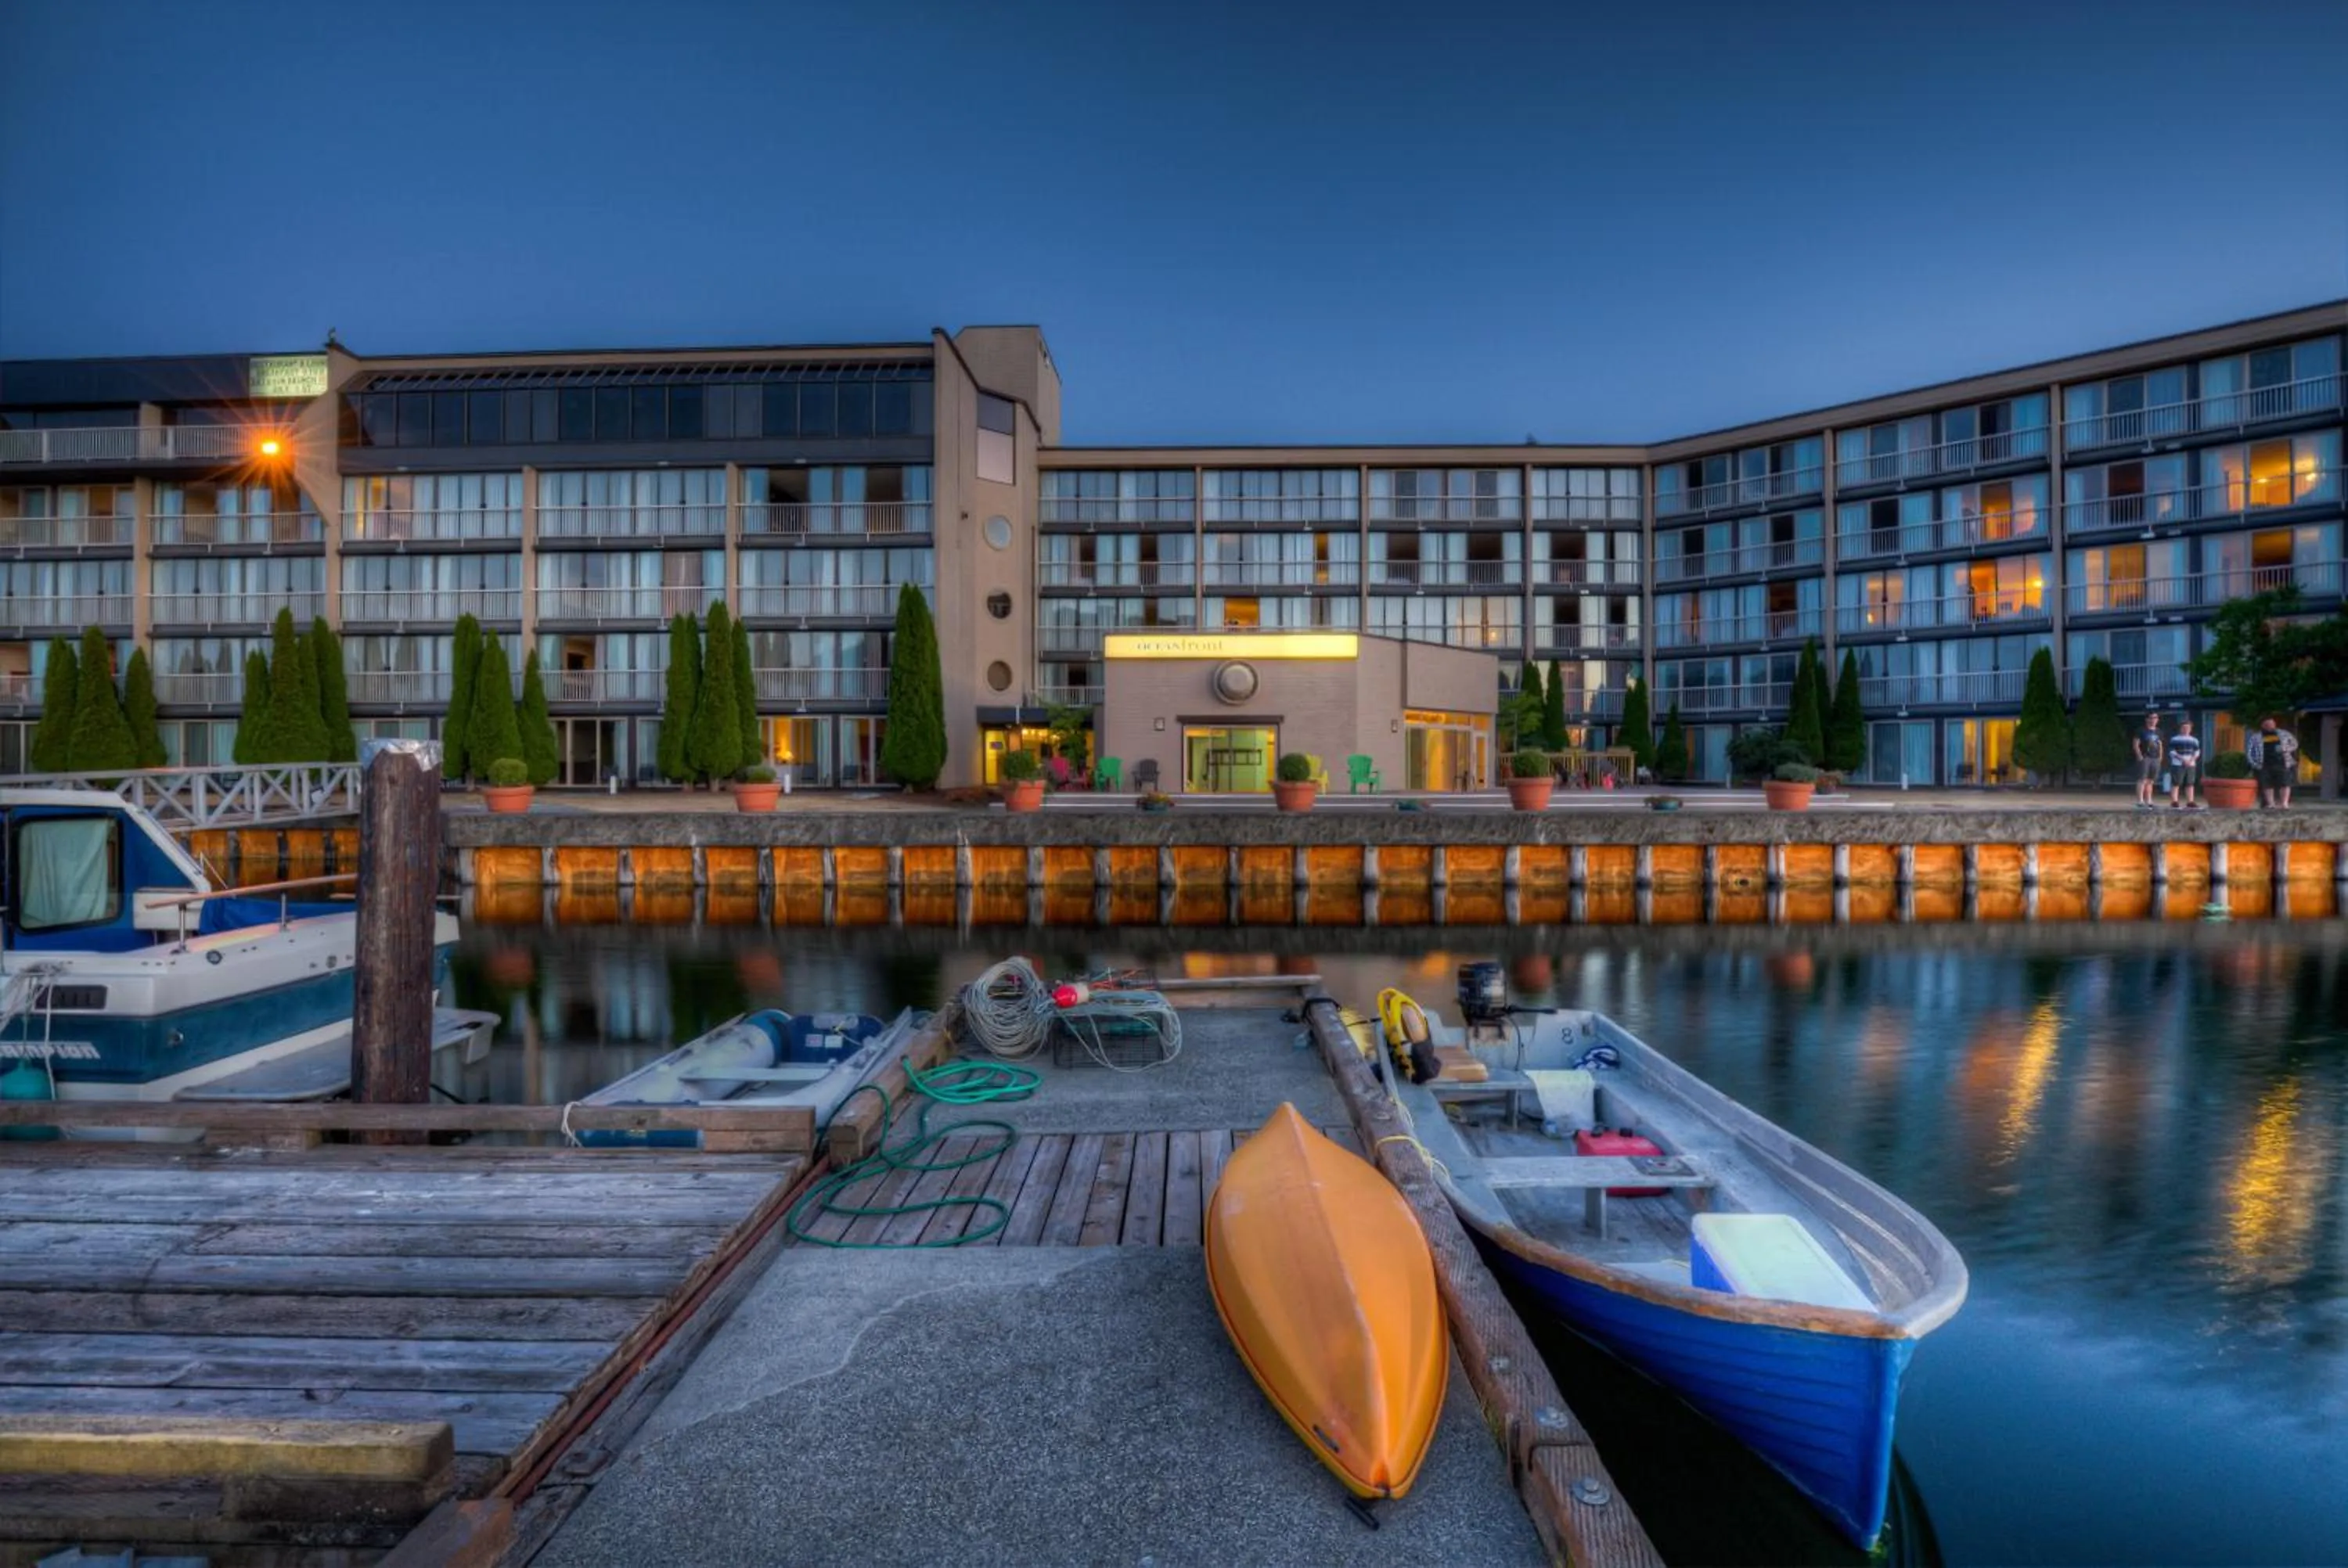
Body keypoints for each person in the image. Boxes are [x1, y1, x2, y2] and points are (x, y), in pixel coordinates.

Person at [2249, 717, 2299, 808]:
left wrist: (2286, 749)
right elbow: (2251, 751)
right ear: (2263, 725)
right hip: (2264, 763)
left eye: (2272, 724)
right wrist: (2254, 763)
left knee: (2285, 782)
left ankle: (2284, 803)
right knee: (2267, 784)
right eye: (2267, 725)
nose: (2270, 727)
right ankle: (2271, 803)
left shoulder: (2283, 734)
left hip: (2282, 762)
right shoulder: (2256, 737)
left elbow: (2294, 743)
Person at [2166, 718, 2202, 809]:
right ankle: (2174, 801)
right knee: (2176, 783)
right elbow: (2171, 751)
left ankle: (2190, 801)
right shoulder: (2175, 739)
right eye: (2184, 727)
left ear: (2191, 729)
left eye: (2188, 728)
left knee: (2190, 783)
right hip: (2178, 764)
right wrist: (2182, 759)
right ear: (2180, 728)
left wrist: (2191, 760)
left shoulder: (2194, 740)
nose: (2186, 729)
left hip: (2191, 764)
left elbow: (2197, 751)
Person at [2133, 712, 2165, 808]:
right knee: (2142, 779)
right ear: (2147, 719)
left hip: (2155, 758)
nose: (2153, 720)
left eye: (2156, 718)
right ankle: (2140, 801)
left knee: (2151, 780)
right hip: (2145, 757)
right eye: (2151, 718)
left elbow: (2160, 745)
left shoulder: (2159, 731)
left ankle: (2149, 801)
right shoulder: (2141, 730)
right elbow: (2136, 744)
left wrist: (2160, 757)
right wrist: (2140, 756)